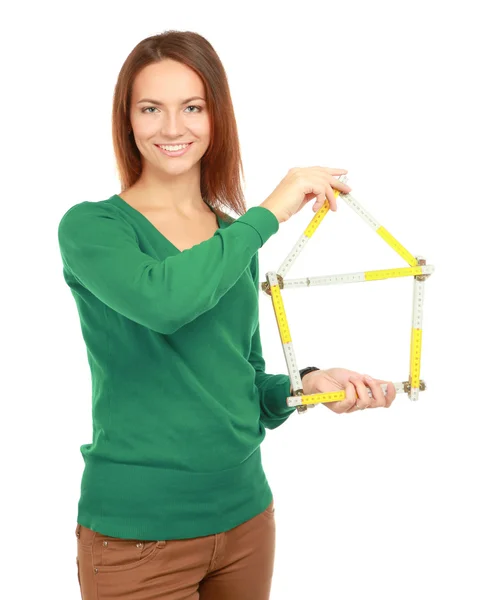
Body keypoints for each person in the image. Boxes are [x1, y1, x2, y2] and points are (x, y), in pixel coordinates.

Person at [57, 30, 396, 600]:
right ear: (127, 119)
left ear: (217, 117)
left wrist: (307, 384)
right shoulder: (92, 228)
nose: (172, 128)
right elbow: (164, 303)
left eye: (193, 107)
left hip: (246, 522)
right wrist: (268, 212)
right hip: (139, 539)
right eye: (151, 108)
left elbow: (242, 376)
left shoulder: (230, 237)